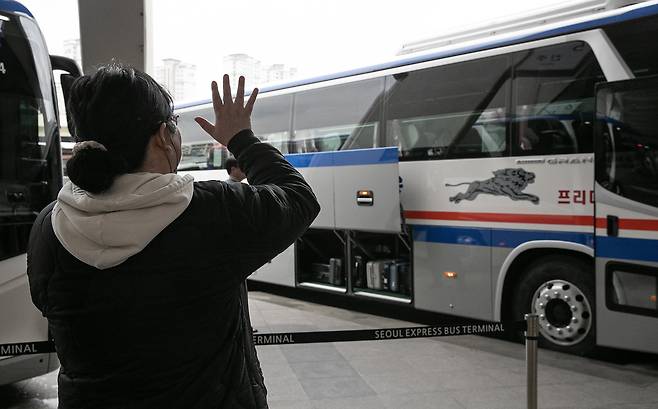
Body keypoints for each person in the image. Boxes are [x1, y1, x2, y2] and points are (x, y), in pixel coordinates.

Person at [26, 64, 320, 409]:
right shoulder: (211, 211)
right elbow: (299, 199)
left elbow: (46, 302)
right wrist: (241, 138)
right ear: (164, 136)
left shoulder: (50, 225)